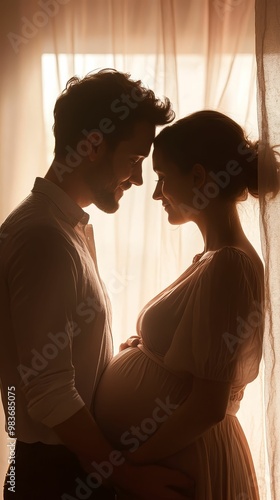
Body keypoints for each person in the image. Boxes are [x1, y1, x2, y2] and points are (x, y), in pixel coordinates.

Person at [0, 69, 194, 500]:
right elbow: (49, 393)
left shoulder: (64, 228)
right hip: (55, 475)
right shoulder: (43, 237)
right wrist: (127, 477)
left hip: (64, 467)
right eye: (133, 161)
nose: (139, 180)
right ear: (91, 146)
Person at [93, 110, 265, 499]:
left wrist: (130, 464)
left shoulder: (230, 264)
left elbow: (208, 405)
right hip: (174, 456)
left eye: (163, 179)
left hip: (183, 460)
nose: (156, 194)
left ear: (200, 178)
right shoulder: (212, 258)